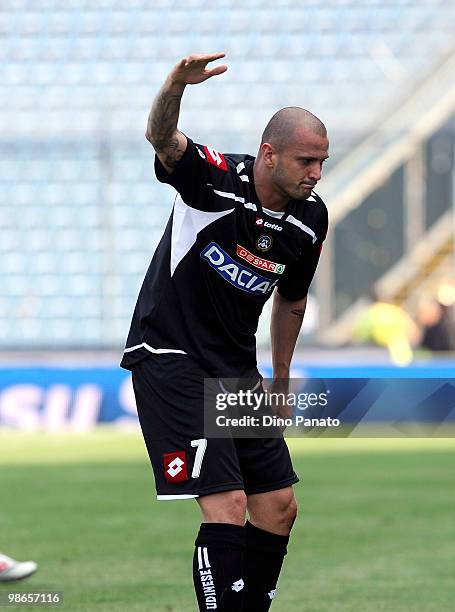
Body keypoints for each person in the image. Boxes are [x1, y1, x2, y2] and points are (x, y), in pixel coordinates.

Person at [120, 53, 329, 611]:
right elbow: (160, 137)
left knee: (279, 504)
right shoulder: (214, 179)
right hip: (170, 355)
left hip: (236, 370)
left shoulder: (310, 219)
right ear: (269, 154)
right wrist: (174, 87)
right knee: (228, 501)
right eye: (306, 161)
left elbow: (292, 297)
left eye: (322, 163)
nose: (315, 173)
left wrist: (281, 379)